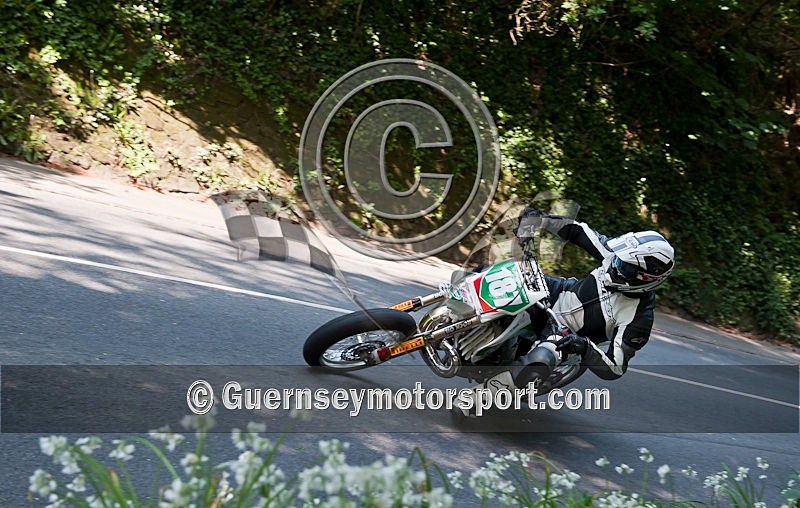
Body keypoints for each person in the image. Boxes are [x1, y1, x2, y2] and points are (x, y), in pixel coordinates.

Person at [459, 207, 675, 416]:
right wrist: (538, 219)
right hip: (559, 293)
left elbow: (615, 368)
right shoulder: (614, 255)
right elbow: (576, 230)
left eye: (624, 267)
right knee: (493, 273)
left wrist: (584, 347)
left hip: (569, 335)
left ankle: (477, 398)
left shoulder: (639, 318)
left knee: (540, 361)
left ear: (646, 278)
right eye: (618, 258)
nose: (614, 265)